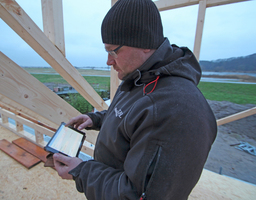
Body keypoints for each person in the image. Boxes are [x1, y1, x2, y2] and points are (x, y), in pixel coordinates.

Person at [53, 0, 217, 199]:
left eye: (113, 50)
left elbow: (135, 195)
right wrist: (96, 119)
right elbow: (130, 118)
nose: (108, 61)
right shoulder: (140, 77)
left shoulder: (172, 111)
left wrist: (81, 171)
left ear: (145, 43)